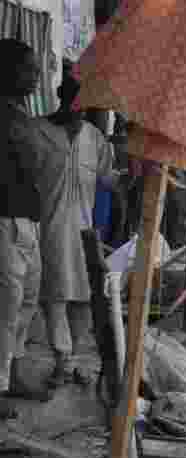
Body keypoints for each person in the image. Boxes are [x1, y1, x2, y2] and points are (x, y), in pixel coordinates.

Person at [28, 62, 115, 388]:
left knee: (83, 299)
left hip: (85, 232)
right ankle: (63, 359)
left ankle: (73, 357)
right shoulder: (36, 132)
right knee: (54, 297)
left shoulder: (95, 139)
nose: (78, 109)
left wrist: (139, 173)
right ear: (61, 98)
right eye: (73, 102)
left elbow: (109, 178)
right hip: (47, 229)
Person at [0, 39, 49, 415]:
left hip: (27, 222)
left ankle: (11, 375)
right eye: (29, 69)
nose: (36, 76)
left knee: (26, 304)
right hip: (6, 221)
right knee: (6, 307)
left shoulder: (20, 114)